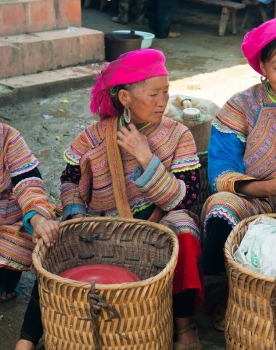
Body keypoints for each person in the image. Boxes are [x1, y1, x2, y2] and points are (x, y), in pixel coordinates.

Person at [16, 48, 204, 350]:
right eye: (153, 93)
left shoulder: (178, 135)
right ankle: (26, 339)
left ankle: (184, 326)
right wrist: (76, 216)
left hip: (162, 217)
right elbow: (70, 180)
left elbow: (186, 197)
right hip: (106, 222)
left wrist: (146, 158)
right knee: (59, 244)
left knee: (184, 232)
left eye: (166, 92)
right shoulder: (94, 136)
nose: (163, 101)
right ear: (125, 98)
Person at [198, 17, 276, 332]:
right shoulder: (242, 106)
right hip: (254, 201)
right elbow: (221, 172)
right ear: (262, 67)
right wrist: (269, 187)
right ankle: (229, 291)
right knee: (222, 207)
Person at [0, 87, 59, 301]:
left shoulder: (8, 137)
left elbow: (27, 180)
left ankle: (3, 277)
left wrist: (39, 217)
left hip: (9, 217)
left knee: (24, 244)